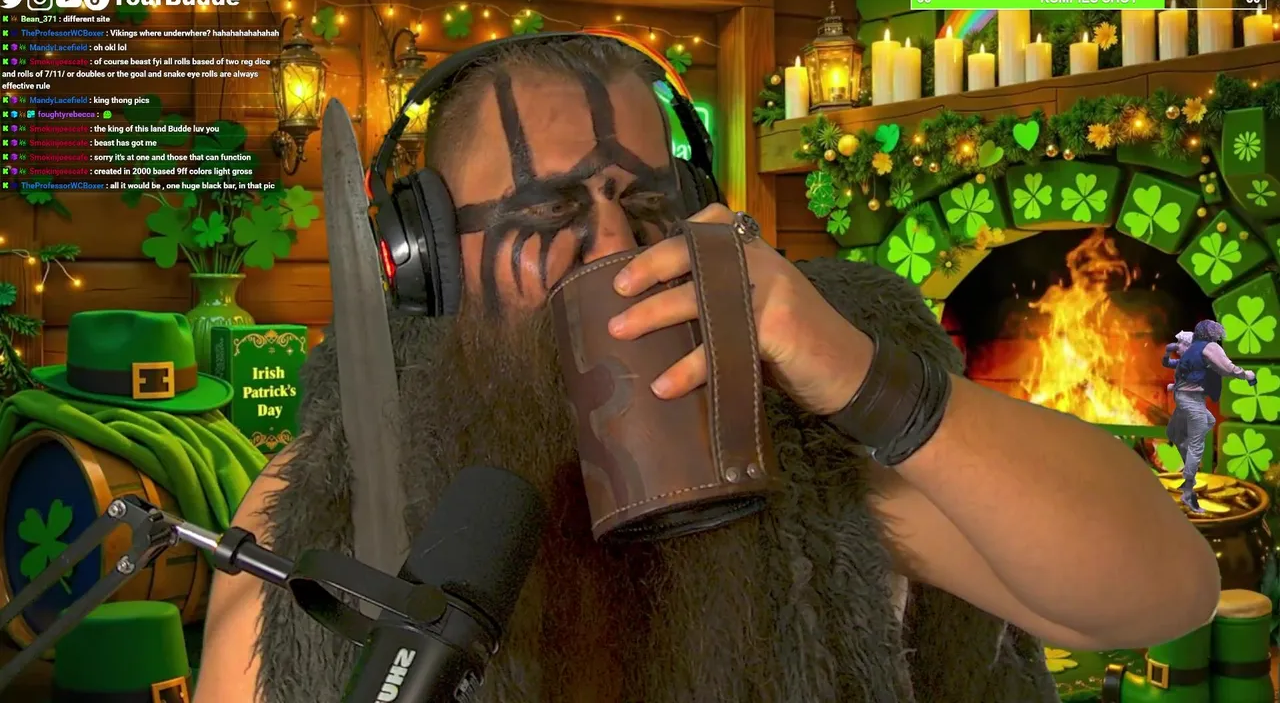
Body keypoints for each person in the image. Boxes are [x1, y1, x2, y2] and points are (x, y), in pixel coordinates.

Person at [193, 36, 1220, 703]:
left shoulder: (812, 456)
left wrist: (855, 375)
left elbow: (1162, 593)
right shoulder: (325, 505)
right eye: (546, 210)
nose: (611, 247)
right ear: (424, 262)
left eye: (645, 205)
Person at [1165, 319, 1256, 512]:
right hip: (1192, 399)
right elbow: (1228, 368)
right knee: (1196, 443)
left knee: (1198, 424)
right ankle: (1189, 491)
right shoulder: (1209, 347)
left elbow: (1183, 372)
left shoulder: (1191, 349)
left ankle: (1186, 475)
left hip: (1183, 397)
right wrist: (1246, 374)